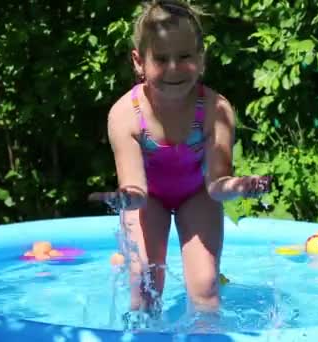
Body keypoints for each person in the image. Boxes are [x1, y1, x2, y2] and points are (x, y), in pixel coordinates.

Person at [88, 0, 271, 327]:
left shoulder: (216, 109)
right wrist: (124, 199)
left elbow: (216, 184)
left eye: (185, 56)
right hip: (149, 199)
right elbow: (137, 188)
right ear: (138, 61)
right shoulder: (126, 115)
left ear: (201, 60)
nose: (174, 68)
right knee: (144, 288)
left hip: (197, 195)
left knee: (205, 288)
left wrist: (239, 186)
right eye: (160, 58)